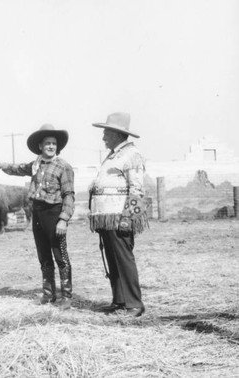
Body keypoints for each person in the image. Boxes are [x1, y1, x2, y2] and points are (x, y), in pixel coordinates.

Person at [0, 124, 75, 309]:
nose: (51, 146)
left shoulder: (64, 167)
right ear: (40, 145)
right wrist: (3, 166)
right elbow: (18, 168)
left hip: (54, 214)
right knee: (43, 255)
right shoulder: (36, 164)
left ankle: (67, 297)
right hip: (38, 212)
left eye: (54, 143)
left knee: (60, 255)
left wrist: (63, 219)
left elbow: (69, 195)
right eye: (47, 143)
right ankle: (48, 295)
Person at [89, 112, 149, 317]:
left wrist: (128, 218)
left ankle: (134, 304)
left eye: (106, 132)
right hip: (106, 216)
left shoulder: (131, 155)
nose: (103, 137)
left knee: (123, 259)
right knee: (113, 259)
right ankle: (119, 301)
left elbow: (138, 190)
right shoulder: (114, 155)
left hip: (119, 216)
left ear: (116, 134)